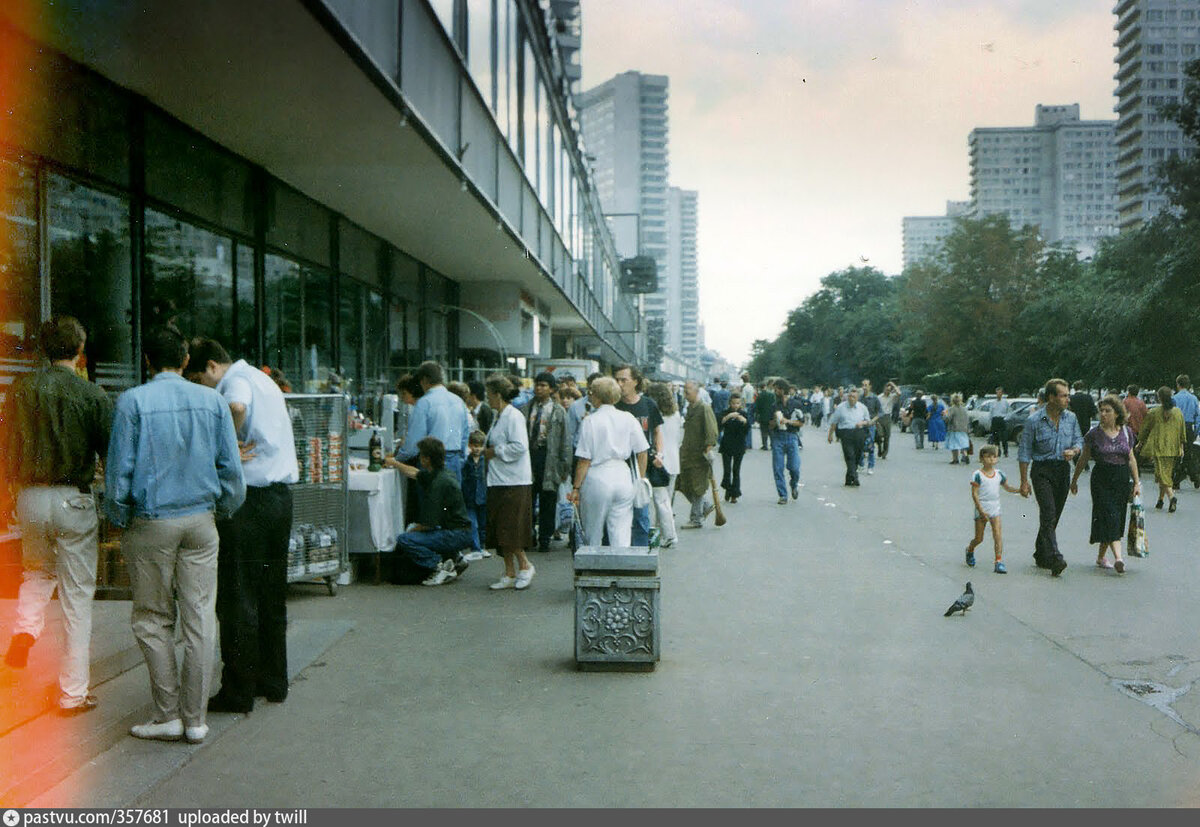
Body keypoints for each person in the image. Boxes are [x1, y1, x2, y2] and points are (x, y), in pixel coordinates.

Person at [105, 327, 245, 743]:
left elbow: (118, 472)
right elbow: (231, 469)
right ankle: (196, 718)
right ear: (185, 361)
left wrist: (119, 516)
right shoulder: (212, 401)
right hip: (201, 519)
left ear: (146, 361)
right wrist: (222, 509)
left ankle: (167, 713)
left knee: (153, 618)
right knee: (201, 617)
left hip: (151, 520)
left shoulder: (132, 401)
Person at [1, 317, 112, 714]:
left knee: (37, 571)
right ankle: (72, 693)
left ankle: (24, 632)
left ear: (42, 351)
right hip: (73, 500)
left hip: (29, 497)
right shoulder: (92, 394)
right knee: (77, 598)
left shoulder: (19, 390)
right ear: (79, 351)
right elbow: (110, 454)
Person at [185, 338, 300, 715]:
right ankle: (274, 679)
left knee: (238, 596)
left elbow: (235, 404)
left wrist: (226, 443)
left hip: (248, 501)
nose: (205, 390)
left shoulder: (235, 379)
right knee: (271, 594)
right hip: (280, 498)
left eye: (202, 381)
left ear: (212, 368)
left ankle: (238, 688)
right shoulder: (263, 378)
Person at [569, 377, 649, 548]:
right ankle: (620, 567)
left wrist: (576, 487)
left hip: (597, 477)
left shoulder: (590, 421)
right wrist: (640, 478)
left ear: (597, 396)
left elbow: (584, 460)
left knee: (593, 531)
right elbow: (642, 451)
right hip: (622, 476)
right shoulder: (628, 418)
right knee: (621, 531)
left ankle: (593, 567)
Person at [388, 437, 475, 586]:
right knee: (420, 532)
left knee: (405, 539)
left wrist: (411, 531)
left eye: (421, 455)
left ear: (426, 459)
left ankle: (438, 566)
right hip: (462, 531)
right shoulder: (443, 474)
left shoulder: (437, 484)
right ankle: (456, 557)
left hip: (455, 534)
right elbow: (414, 473)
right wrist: (394, 463)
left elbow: (428, 524)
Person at [1018, 378, 1082, 577]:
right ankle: (1055, 557)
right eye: (1063, 396)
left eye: (1068, 395)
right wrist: (1023, 482)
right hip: (1042, 470)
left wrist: (1075, 450)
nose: (1067, 399)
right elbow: (1024, 452)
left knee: (1054, 516)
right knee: (1048, 512)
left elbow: (1079, 439)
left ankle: (1040, 552)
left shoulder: (1070, 418)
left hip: (1062, 469)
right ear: (1051, 397)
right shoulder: (1034, 421)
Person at [1071, 396, 1140, 573]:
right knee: (1110, 514)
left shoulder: (1126, 432)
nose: (1103, 414)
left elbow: (1131, 459)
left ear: (1117, 413)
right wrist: (1075, 479)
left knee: (1115, 515)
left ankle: (1101, 556)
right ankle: (1119, 558)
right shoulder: (1094, 434)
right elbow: (1084, 458)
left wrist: (1137, 483)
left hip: (1121, 477)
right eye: (1101, 410)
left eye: (1107, 410)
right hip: (1102, 477)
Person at [482, 375, 535, 590]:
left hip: (514, 480)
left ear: (497, 394)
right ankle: (509, 572)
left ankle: (525, 566)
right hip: (497, 479)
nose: (487, 399)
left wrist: (495, 451)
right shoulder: (499, 416)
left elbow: (520, 446)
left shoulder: (513, 417)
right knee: (498, 528)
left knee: (510, 528)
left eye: (489, 395)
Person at [613, 364, 665, 546]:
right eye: (617, 380)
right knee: (617, 514)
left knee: (641, 511)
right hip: (618, 465)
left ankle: (641, 552)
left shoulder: (648, 404)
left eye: (623, 380)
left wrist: (660, 454)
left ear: (635, 381)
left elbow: (657, 431)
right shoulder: (614, 406)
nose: (619, 384)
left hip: (642, 465)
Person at [396, 361, 470, 483]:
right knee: (452, 500)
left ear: (424, 380)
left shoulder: (424, 403)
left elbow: (414, 442)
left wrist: (397, 458)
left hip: (431, 463)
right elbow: (464, 436)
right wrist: (460, 460)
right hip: (455, 461)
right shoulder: (458, 401)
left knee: (431, 501)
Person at [525, 371, 571, 553]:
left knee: (548, 501)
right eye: (537, 384)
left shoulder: (558, 411)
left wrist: (564, 466)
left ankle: (545, 537)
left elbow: (565, 441)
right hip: (530, 457)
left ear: (551, 389)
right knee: (528, 499)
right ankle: (528, 536)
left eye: (544, 385)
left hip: (549, 459)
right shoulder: (527, 408)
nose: (539, 388)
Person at [964, 445, 1021, 574]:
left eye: (994, 456)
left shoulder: (999, 474)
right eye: (988, 456)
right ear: (981, 458)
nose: (991, 459)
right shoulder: (977, 475)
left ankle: (998, 561)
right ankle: (970, 549)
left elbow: (1007, 487)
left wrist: (1019, 490)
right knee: (979, 538)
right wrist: (981, 510)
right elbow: (974, 494)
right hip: (982, 507)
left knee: (997, 535)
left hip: (995, 507)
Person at [1136, 386, 1187, 513]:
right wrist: (1181, 447)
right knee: (1166, 474)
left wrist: (1140, 443)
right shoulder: (1178, 412)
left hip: (1159, 447)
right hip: (1173, 447)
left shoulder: (1154, 412)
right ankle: (1160, 500)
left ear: (1159, 397)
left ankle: (1172, 497)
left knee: (1161, 474)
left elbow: (1145, 430)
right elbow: (1182, 431)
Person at [676, 381, 718, 529]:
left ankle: (696, 518)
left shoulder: (704, 408)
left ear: (696, 392)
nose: (685, 395)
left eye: (688, 392)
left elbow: (711, 431)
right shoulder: (691, 408)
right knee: (682, 484)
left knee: (698, 486)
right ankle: (705, 506)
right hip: (687, 454)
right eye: (684, 392)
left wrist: (708, 450)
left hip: (699, 456)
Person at [644, 382, 681, 549]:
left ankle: (670, 536)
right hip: (674, 461)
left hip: (660, 461)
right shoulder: (676, 415)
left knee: (661, 502)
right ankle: (661, 535)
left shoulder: (655, 416)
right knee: (666, 502)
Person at [826, 387, 872, 486]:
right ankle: (855, 476)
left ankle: (849, 477)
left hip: (859, 433)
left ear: (857, 398)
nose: (852, 399)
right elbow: (834, 422)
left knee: (857, 456)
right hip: (846, 433)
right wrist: (830, 435)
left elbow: (868, 421)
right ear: (847, 397)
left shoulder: (862, 407)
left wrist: (862, 423)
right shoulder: (840, 407)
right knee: (849, 455)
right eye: (850, 396)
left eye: (854, 397)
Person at [770, 380, 804, 504]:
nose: (775, 392)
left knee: (794, 467)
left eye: (777, 389)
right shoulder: (774, 405)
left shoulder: (796, 404)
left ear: (783, 390)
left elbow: (801, 422)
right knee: (778, 468)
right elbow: (770, 425)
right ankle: (782, 495)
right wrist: (775, 420)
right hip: (778, 437)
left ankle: (793, 484)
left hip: (791, 436)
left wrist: (788, 421)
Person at [460, 430, 490, 561]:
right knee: (473, 524)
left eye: (479, 446)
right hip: (470, 497)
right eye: (474, 446)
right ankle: (476, 548)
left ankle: (482, 547)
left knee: (483, 524)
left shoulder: (486, 461)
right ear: (470, 446)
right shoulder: (467, 462)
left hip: (483, 496)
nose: (477, 449)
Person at [719, 393, 750, 503]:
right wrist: (728, 417)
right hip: (727, 445)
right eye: (733, 403)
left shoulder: (744, 414)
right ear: (729, 403)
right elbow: (719, 425)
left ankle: (734, 494)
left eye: (737, 403)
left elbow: (747, 430)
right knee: (727, 471)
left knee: (736, 470)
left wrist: (744, 421)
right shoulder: (725, 413)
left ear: (740, 404)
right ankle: (728, 488)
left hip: (739, 445)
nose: (735, 406)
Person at [1171, 374, 1200, 489]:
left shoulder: (1174, 399)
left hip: (1177, 426)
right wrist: (1197, 430)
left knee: (1177, 453)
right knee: (1188, 453)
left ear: (1178, 385)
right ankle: (1194, 476)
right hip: (1189, 426)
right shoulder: (1193, 399)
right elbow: (1198, 416)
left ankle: (1177, 477)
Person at [859, 380, 881, 475]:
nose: (864, 387)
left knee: (870, 444)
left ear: (870, 387)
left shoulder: (874, 398)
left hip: (871, 425)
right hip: (861, 424)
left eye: (866, 385)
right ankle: (861, 464)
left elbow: (880, 412)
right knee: (859, 444)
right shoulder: (859, 398)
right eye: (863, 385)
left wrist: (873, 421)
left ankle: (870, 466)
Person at [945, 393, 971, 464]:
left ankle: (955, 459)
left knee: (954, 445)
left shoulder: (952, 409)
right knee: (963, 444)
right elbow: (967, 419)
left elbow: (948, 418)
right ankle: (965, 455)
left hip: (954, 429)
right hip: (964, 429)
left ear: (952, 401)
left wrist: (944, 416)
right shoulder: (964, 409)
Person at [876, 381, 899, 460]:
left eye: (889, 390)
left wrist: (892, 384)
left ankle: (884, 453)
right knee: (879, 435)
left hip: (888, 417)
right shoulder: (879, 397)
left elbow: (899, 393)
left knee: (887, 436)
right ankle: (879, 447)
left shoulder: (892, 397)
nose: (888, 391)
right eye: (887, 390)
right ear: (884, 389)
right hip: (880, 417)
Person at [989, 387, 1012, 457]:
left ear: (1002, 393)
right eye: (997, 392)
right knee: (995, 437)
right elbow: (991, 412)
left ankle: (1006, 452)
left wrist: (1005, 418)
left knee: (1004, 437)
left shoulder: (1005, 402)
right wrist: (991, 421)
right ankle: (998, 451)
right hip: (995, 420)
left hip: (1002, 420)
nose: (998, 394)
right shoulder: (993, 403)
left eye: (1000, 392)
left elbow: (1009, 411)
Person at [756, 382, 777, 450]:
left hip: (762, 416)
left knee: (763, 431)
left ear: (760, 388)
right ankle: (773, 444)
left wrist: (757, 415)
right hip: (771, 415)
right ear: (765, 387)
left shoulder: (759, 396)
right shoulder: (771, 395)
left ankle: (765, 445)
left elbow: (757, 407)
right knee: (771, 431)